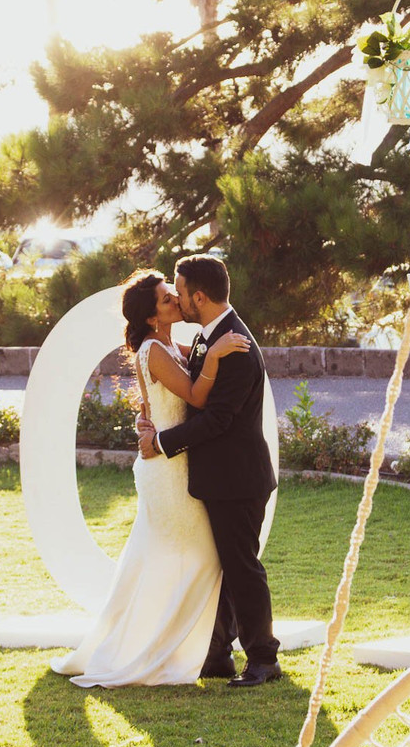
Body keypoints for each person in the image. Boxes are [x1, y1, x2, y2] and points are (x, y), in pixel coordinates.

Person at [50, 269, 250, 687]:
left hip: (175, 461)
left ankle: (200, 647)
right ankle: (161, 648)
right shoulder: (154, 351)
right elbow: (196, 394)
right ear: (150, 317)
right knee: (185, 557)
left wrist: (208, 350)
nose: (175, 301)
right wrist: (215, 357)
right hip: (169, 470)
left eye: (172, 294)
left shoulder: (166, 344)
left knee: (166, 559)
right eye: (165, 300)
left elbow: (175, 384)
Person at [138, 254, 281, 688]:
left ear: (199, 296)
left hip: (238, 479)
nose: (178, 301)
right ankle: (217, 654)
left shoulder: (233, 344)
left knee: (241, 568)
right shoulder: (210, 336)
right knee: (223, 565)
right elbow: (171, 368)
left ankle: (263, 658)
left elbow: (218, 419)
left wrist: (161, 443)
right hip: (223, 478)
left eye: (180, 293)